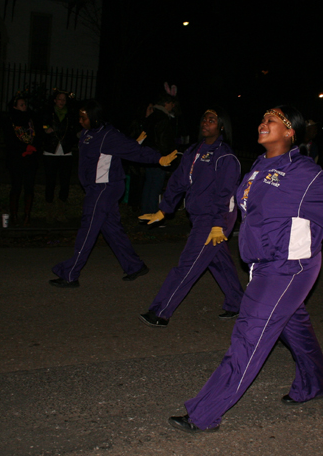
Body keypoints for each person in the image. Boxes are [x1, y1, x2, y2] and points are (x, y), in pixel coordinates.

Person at [168, 106, 323, 433]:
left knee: (248, 336)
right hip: (264, 265)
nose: (263, 124)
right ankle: (314, 383)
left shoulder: (304, 173)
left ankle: (203, 414)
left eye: (271, 120)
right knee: (294, 325)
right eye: (262, 119)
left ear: (290, 132)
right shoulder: (260, 166)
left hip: (289, 268)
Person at [50, 100, 178, 288]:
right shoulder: (87, 133)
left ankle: (70, 273)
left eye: (84, 118)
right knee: (111, 229)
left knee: (88, 229)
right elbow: (118, 149)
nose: (80, 121)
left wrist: (159, 159)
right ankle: (135, 266)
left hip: (104, 188)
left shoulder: (107, 135)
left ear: (94, 117)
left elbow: (134, 151)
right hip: (97, 187)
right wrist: (132, 142)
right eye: (79, 117)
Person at [138, 107, 244, 326]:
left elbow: (225, 194)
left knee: (187, 264)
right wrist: (164, 209)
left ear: (221, 126)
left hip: (215, 219)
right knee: (218, 261)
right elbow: (178, 181)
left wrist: (218, 224)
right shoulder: (194, 151)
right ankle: (238, 303)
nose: (205, 122)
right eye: (204, 119)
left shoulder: (225, 156)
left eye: (212, 120)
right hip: (199, 215)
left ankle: (160, 312)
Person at [140, 84, 179, 214]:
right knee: (155, 186)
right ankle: (151, 213)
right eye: (171, 104)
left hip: (148, 155)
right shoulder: (163, 119)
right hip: (159, 156)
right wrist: (168, 156)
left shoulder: (152, 116)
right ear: (166, 103)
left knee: (148, 184)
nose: (173, 106)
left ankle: (145, 211)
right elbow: (164, 141)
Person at [43, 90, 78, 223]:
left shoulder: (70, 114)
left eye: (64, 99)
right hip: (50, 150)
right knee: (50, 182)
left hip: (66, 152)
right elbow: (42, 123)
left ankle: (61, 212)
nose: (62, 102)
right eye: (59, 99)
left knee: (65, 183)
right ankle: (49, 212)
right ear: (55, 100)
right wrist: (46, 129)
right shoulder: (48, 112)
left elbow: (74, 130)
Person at [5, 96, 39, 226]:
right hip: (16, 158)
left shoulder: (30, 119)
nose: (24, 107)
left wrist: (32, 147)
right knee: (16, 186)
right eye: (21, 105)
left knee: (29, 187)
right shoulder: (10, 120)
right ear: (15, 107)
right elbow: (10, 140)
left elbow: (37, 134)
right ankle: (14, 215)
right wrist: (23, 148)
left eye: (25, 104)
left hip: (30, 159)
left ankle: (27, 215)